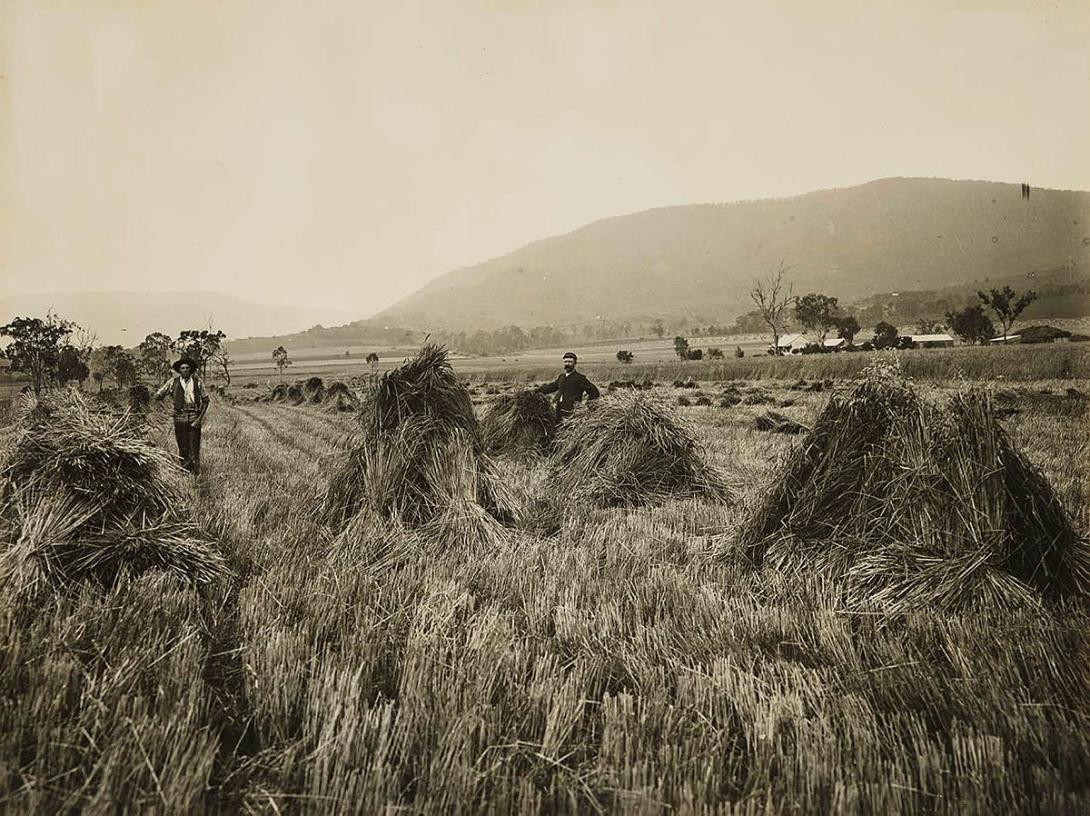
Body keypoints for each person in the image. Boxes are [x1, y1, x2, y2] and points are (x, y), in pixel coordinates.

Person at [154, 356, 210, 475]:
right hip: (179, 417)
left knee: (194, 450)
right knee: (183, 449)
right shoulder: (172, 382)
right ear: (179, 370)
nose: (185, 370)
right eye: (182, 368)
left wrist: (199, 419)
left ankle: (196, 477)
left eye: (187, 368)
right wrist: (168, 409)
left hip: (194, 416)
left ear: (191, 370)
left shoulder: (198, 382)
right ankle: (185, 474)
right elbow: (157, 396)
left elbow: (206, 401)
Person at [535, 352, 600, 422]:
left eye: (570, 362)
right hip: (559, 409)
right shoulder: (561, 377)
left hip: (572, 412)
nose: (567, 364)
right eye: (566, 362)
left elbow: (594, 391)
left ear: (575, 363)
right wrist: (536, 391)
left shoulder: (579, 378)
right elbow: (552, 387)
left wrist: (587, 405)